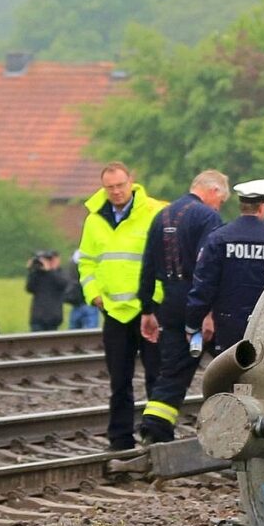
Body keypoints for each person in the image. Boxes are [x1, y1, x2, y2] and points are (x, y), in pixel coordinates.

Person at [76, 162, 168, 451]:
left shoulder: (154, 212)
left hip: (148, 310)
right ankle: (120, 438)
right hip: (114, 311)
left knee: (156, 375)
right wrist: (93, 294)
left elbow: (167, 259)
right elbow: (87, 261)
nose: (116, 192)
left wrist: (156, 299)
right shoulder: (94, 219)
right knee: (119, 379)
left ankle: (157, 435)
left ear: (132, 182)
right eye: (110, 187)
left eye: (120, 185)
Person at [135, 169, 230, 443]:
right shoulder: (208, 217)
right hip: (197, 303)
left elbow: (148, 265)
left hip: (170, 303)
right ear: (213, 191)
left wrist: (146, 310)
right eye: (221, 200)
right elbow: (208, 267)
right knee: (229, 363)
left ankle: (155, 428)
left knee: (173, 369)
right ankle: (234, 427)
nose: (219, 205)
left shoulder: (161, 216)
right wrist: (207, 312)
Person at [188, 177, 264, 364]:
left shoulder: (219, 237)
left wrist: (192, 324)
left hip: (226, 325)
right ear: (262, 207)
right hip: (263, 324)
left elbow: (204, 285)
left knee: (227, 374)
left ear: (241, 206)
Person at [24, 250, 72, 331]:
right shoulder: (37, 274)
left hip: (53, 317)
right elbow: (29, 288)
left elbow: (63, 284)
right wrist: (31, 270)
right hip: (38, 317)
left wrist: (50, 270)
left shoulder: (60, 273)